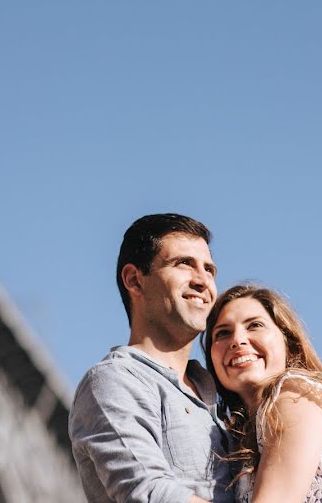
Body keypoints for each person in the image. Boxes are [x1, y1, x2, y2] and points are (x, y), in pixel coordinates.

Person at [69, 213, 235, 503]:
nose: (202, 281)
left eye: (209, 270)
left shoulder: (223, 393)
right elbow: (152, 494)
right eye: (184, 264)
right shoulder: (113, 381)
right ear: (135, 280)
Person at [202, 284, 322, 503]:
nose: (237, 340)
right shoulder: (246, 437)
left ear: (288, 340)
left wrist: (164, 490)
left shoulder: (294, 394)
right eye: (223, 333)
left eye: (255, 325)